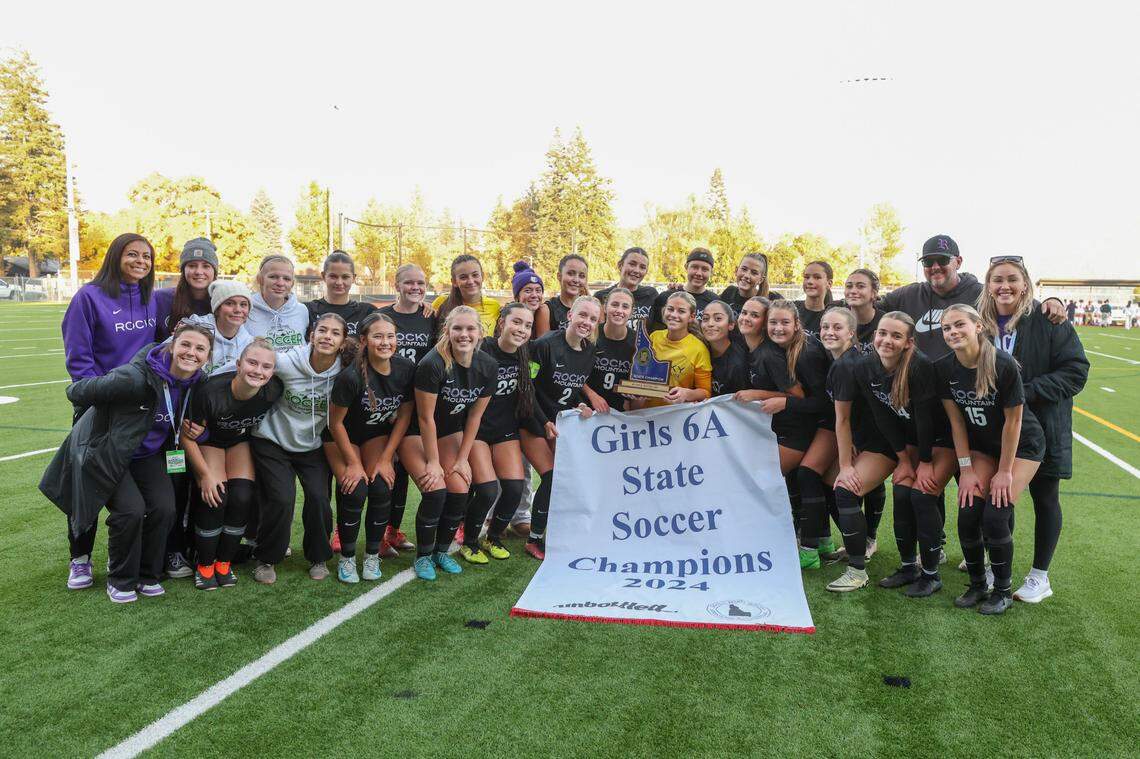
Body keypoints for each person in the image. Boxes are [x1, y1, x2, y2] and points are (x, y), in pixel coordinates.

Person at [40, 322, 213, 602]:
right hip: (111, 454)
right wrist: (96, 426)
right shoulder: (134, 377)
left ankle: (148, 574)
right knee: (131, 510)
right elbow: (77, 391)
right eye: (185, 344)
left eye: (200, 348)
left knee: (164, 508)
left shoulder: (197, 382)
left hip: (147, 456)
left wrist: (202, 431)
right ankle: (121, 578)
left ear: (207, 356)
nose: (191, 353)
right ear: (172, 345)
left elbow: (196, 423)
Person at [977, 256, 1088, 603]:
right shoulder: (980, 319)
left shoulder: (1048, 319)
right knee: (999, 496)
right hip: (997, 427)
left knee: (1045, 497)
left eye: (1012, 279)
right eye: (997, 280)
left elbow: (1076, 370)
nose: (1004, 286)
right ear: (988, 284)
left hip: (1044, 424)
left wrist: (1026, 392)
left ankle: (1040, 575)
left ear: (1026, 283)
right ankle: (997, 564)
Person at [59, 232, 160, 590]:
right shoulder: (88, 297)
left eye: (146, 257)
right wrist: (103, 394)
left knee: (134, 485)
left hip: (139, 408)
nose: (140, 262)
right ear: (115, 256)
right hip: (99, 405)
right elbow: (79, 358)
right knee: (87, 485)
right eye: (133, 255)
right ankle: (80, 558)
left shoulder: (153, 298)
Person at [938, 305, 1045, 615]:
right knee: (969, 511)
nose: (953, 332)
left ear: (978, 327)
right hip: (983, 447)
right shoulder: (943, 369)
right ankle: (976, 584)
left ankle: (1002, 590)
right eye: (947, 328)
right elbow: (957, 423)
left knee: (996, 514)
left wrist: (1004, 472)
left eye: (959, 325)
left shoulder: (1002, 364)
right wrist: (966, 469)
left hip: (1021, 446)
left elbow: (1013, 423)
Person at [857, 311, 957, 597]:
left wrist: (924, 463)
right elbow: (883, 417)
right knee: (901, 492)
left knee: (922, 495)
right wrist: (903, 460)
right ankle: (907, 567)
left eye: (896, 336)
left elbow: (926, 420)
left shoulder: (919, 367)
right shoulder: (867, 366)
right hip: (913, 441)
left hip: (942, 439)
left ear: (909, 343)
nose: (886, 340)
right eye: (882, 333)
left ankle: (931, 574)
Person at [397, 306, 497, 579]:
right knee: (435, 489)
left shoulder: (488, 366)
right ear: (447, 331)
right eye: (458, 328)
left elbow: (475, 417)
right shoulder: (432, 364)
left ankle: (442, 550)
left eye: (470, 329)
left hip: (450, 431)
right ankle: (423, 556)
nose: (464, 334)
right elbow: (424, 417)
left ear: (480, 332)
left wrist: (462, 459)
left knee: (460, 488)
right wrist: (433, 462)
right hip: (416, 432)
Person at [249, 313, 350, 584]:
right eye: (322, 331)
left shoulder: (344, 372)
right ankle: (267, 558)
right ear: (311, 335)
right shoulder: (286, 362)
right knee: (281, 499)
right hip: (272, 439)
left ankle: (318, 557)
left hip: (312, 444)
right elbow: (255, 365)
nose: (327, 336)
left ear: (342, 342)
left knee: (319, 499)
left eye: (335, 333)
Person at [737, 301, 836, 564]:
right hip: (802, 422)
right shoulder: (773, 349)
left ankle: (807, 548)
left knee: (797, 476)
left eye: (784, 323)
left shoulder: (806, 353)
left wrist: (783, 401)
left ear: (796, 324)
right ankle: (820, 542)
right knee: (798, 479)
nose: (778, 328)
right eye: (773, 322)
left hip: (827, 421)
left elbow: (820, 402)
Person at [181, 338, 282, 590]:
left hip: (239, 441)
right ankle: (204, 564)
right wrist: (204, 475)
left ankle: (224, 563)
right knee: (215, 495)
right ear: (238, 364)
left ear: (272, 373)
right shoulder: (210, 391)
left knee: (242, 497)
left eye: (266, 367)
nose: (258, 371)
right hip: (209, 442)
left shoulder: (273, 389)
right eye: (252, 362)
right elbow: (187, 436)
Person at [324, 313, 416, 583]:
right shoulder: (350, 377)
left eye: (390, 336)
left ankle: (372, 556)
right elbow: (334, 423)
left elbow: (405, 416)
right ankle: (348, 558)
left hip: (375, 435)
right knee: (355, 489)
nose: (385, 342)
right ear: (364, 340)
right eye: (378, 336)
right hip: (342, 436)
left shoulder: (405, 369)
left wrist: (387, 457)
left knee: (380, 486)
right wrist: (353, 463)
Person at [879, 234, 1066, 358]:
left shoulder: (981, 293)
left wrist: (1052, 302)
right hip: (924, 389)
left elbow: (1021, 304)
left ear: (958, 262)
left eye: (943, 260)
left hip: (966, 390)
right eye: (928, 261)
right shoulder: (909, 294)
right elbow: (872, 306)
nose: (935, 266)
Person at [526, 296, 605, 558]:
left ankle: (561, 531)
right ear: (570, 315)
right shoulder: (543, 345)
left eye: (593, 319)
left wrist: (580, 404)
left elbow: (570, 388)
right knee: (550, 476)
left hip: (558, 423)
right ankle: (535, 538)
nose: (587, 322)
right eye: (583, 315)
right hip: (532, 420)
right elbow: (527, 390)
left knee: (567, 477)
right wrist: (543, 421)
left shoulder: (589, 351)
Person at [477, 304, 558, 559]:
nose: (522, 329)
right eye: (517, 322)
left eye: (527, 325)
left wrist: (544, 422)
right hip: (476, 430)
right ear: (501, 322)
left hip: (505, 430)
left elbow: (529, 393)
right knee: (485, 488)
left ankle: (494, 537)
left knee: (513, 488)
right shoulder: (483, 348)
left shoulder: (525, 355)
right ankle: (468, 537)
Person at [824, 307, 896, 591]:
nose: (830, 332)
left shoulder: (846, 365)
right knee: (827, 481)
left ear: (851, 333)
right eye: (825, 326)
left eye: (837, 328)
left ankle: (857, 571)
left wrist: (845, 466)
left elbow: (841, 419)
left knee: (843, 487)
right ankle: (865, 541)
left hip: (884, 443)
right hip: (865, 439)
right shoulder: (842, 361)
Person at [379, 263, 438, 553]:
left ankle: (392, 530)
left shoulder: (431, 317)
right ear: (397, 285)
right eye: (409, 283)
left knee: (402, 472)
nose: (415, 288)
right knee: (384, 470)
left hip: (419, 401)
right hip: (388, 399)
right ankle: (373, 532)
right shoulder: (382, 316)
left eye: (421, 283)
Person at [646, 290, 712, 407]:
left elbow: (706, 393)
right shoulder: (654, 337)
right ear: (664, 311)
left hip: (676, 416)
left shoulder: (699, 349)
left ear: (691, 317)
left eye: (681, 311)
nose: (674, 315)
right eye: (670, 309)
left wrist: (687, 394)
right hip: (646, 414)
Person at [183, 280, 255, 375]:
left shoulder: (249, 343)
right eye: (229, 303)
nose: (238, 310)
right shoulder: (194, 328)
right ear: (217, 309)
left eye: (243, 304)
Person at [154, 238, 218, 342]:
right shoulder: (160, 299)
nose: (198, 271)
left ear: (214, 271)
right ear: (183, 270)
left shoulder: (223, 304)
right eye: (192, 266)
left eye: (206, 266)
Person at [588, 288, 639, 412]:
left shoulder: (639, 342)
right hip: (588, 407)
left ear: (631, 312)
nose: (619, 310)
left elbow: (640, 383)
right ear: (604, 308)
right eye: (614, 305)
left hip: (620, 413)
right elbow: (574, 371)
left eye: (625, 307)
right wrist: (591, 395)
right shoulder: (590, 334)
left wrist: (635, 397)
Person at [246, 254, 309, 352]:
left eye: (286, 279)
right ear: (260, 279)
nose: (280, 283)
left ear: (292, 283)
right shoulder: (247, 310)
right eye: (273, 277)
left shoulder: (302, 311)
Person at [306, 250, 376, 336]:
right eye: (333, 276)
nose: (339, 282)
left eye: (345, 277)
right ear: (324, 276)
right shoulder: (308, 311)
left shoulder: (367, 312)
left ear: (353, 278)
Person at [648, 248, 720, 330]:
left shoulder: (715, 302)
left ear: (711, 272)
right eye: (695, 267)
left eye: (705, 269)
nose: (699, 273)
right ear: (686, 267)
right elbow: (655, 332)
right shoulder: (666, 297)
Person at [432, 254, 501, 335]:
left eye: (475, 275)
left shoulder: (494, 306)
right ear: (454, 282)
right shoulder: (441, 302)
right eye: (463, 277)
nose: (471, 281)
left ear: (482, 276)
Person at [594, 247, 659, 331]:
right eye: (632, 264)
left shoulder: (651, 294)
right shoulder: (601, 296)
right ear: (620, 265)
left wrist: (675, 289)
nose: (636, 270)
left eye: (642, 267)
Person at [701, 300, 750, 396]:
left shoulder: (737, 364)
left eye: (718, 318)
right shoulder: (699, 349)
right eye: (705, 319)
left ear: (731, 325)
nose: (710, 323)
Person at [535, 253, 589, 336]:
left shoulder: (590, 309)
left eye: (582, 276)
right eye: (570, 273)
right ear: (559, 276)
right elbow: (543, 347)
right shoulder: (547, 310)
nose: (576, 280)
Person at [720, 252, 784, 314]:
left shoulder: (773, 300)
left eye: (754, 273)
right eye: (744, 269)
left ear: (761, 279)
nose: (747, 276)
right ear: (736, 270)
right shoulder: (729, 293)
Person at [840, 268, 884, 353]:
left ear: (874, 293)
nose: (853, 291)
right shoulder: (837, 320)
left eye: (860, 286)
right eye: (849, 286)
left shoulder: (885, 322)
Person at [794, 261, 835, 338]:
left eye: (817, 277)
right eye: (806, 277)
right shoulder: (792, 309)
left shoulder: (833, 316)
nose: (810, 281)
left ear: (829, 283)